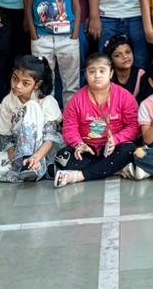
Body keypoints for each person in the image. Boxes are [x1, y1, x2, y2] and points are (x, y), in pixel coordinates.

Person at [53, 54, 140, 188]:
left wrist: (116, 139)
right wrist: (79, 144)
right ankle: (114, 168)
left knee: (129, 150)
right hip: (88, 149)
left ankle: (78, 176)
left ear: (111, 73)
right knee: (61, 157)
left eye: (102, 71)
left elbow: (134, 127)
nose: (97, 75)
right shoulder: (76, 100)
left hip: (114, 148)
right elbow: (69, 128)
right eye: (92, 71)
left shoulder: (124, 97)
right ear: (86, 74)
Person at [0, 55, 63, 183]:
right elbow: (7, 138)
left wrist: (35, 157)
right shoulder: (7, 102)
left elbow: (49, 140)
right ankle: (29, 169)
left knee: (31, 106)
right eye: (15, 78)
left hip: (42, 153)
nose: (17, 85)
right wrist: (13, 157)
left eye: (25, 83)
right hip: (18, 153)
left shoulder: (47, 101)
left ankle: (33, 165)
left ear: (37, 84)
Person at [24, 0, 87, 104]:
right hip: (42, 37)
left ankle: (69, 118)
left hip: (68, 36)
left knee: (71, 83)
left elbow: (77, 5)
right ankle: (47, 118)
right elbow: (28, 6)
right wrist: (34, 36)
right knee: (44, 84)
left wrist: (75, 34)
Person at [105, 34, 151, 102]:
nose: (125, 56)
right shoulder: (107, 77)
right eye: (118, 55)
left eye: (128, 52)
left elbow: (145, 102)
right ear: (110, 60)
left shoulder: (141, 75)